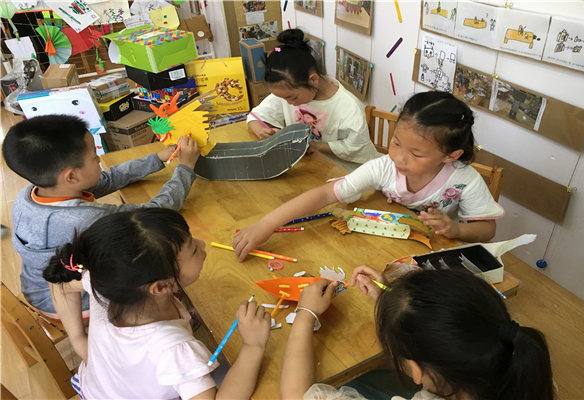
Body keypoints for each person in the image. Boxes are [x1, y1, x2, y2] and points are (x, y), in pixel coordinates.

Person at [234, 91, 504, 261]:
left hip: (429, 255)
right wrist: (267, 223)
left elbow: (487, 230)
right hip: (382, 246)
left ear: (451, 156)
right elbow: (325, 194)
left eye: (416, 154)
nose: (399, 158)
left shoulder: (465, 180)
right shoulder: (384, 167)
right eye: (396, 143)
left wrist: (456, 229)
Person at [43, 209, 271, 399]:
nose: (202, 244)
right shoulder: (174, 349)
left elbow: (60, 285)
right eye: (192, 249)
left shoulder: (108, 283)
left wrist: (78, 339)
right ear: (160, 287)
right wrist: (253, 345)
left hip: (100, 388)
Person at [2, 114, 201, 319]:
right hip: (69, 301)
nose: (99, 160)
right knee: (154, 275)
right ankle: (173, 317)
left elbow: (107, 179)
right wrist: (186, 167)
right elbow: (158, 210)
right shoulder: (85, 218)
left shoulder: (30, 194)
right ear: (72, 176)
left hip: (37, 287)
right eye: (95, 158)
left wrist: (157, 158)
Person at [280, 268, 555, 400]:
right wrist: (396, 303)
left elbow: (296, 395)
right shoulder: (520, 366)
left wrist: (306, 313)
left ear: (416, 370)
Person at [246, 29, 379, 165]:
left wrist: (315, 146)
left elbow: (357, 147)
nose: (289, 103)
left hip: (343, 168)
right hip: (311, 164)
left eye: (292, 98)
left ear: (313, 79)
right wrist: (261, 131)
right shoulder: (288, 93)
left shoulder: (349, 107)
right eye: (284, 98)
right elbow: (255, 117)